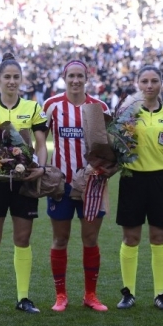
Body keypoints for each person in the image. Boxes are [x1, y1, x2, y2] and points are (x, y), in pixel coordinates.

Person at [0, 52, 48, 314]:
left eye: (16, 77)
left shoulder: (32, 108)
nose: (12, 81)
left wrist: (40, 167)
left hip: (25, 181)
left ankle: (23, 297)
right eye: (7, 77)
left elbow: (41, 144)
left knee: (23, 238)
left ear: (22, 80)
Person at [43, 59, 115, 312]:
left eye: (80, 76)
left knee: (90, 238)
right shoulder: (52, 105)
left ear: (87, 77)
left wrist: (106, 169)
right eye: (71, 76)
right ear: (65, 78)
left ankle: (90, 295)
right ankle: (60, 295)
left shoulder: (100, 106)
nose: (75, 80)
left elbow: (111, 147)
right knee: (60, 239)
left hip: (93, 184)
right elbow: (41, 141)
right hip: (61, 185)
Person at [115, 66, 163, 312]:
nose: (149, 85)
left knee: (158, 238)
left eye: (154, 81)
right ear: (137, 83)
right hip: (132, 179)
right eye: (144, 81)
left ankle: (160, 295)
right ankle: (128, 293)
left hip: (161, 181)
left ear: (161, 83)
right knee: (130, 238)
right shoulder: (126, 114)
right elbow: (116, 145)